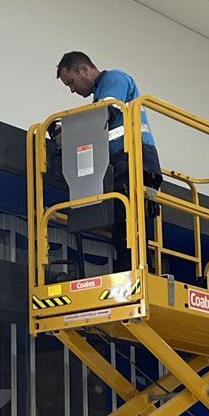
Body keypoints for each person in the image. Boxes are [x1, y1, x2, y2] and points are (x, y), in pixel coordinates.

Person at [55, 51, 163, 272]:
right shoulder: (100, 95)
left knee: (129, 221)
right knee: (123, 224)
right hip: (121, 162)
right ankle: (133, 270)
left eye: (72, 83)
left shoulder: (114, 79)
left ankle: (139, 271)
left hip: (133, 158)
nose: (73, 90)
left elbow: (106, 113)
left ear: (84, 69)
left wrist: (68, 132)